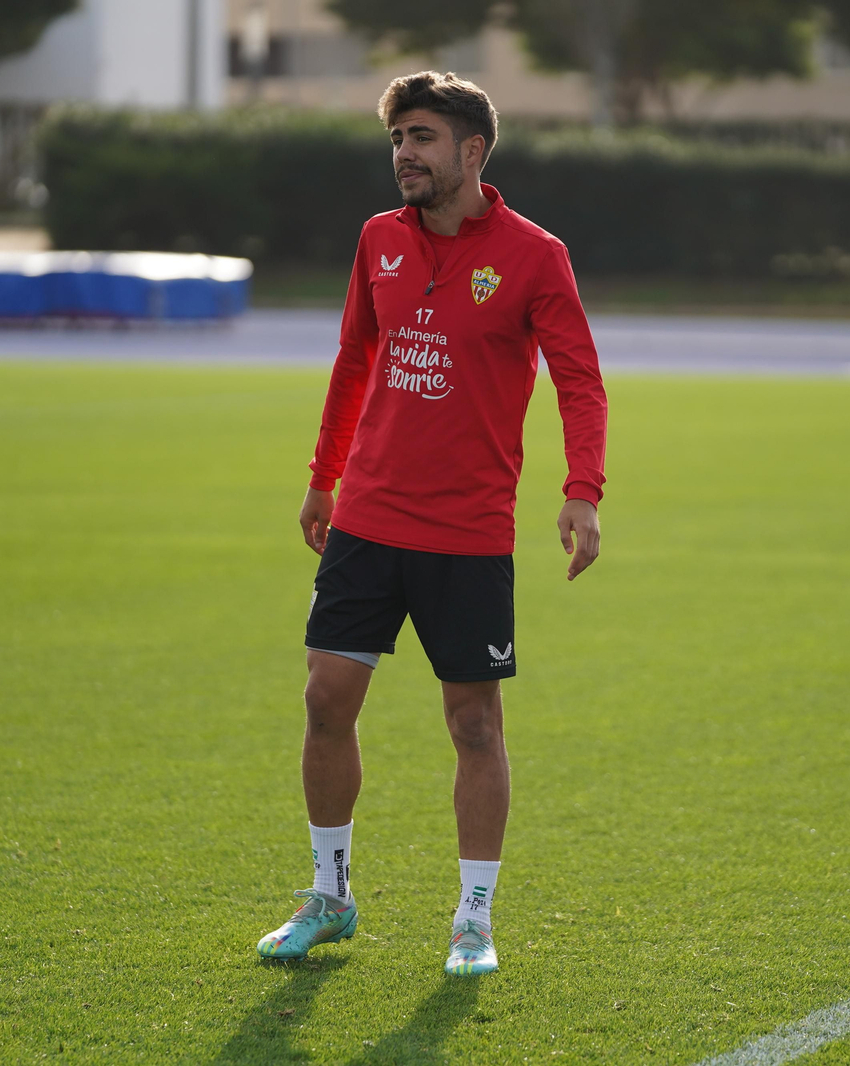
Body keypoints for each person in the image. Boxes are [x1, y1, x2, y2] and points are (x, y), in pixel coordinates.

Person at [256, 71, 608, 976]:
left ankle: (474, 920)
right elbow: (353, 359)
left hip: (470, 531)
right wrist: (323, 476)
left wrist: (583, 488)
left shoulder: (536, 255)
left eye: (421, 137)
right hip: (369, 516)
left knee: (474, 725)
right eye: (397, 139)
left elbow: (578, 378)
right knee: (325, 698)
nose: (405, 155)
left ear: (471, 151)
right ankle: (330, 897)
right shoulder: (378, 239)